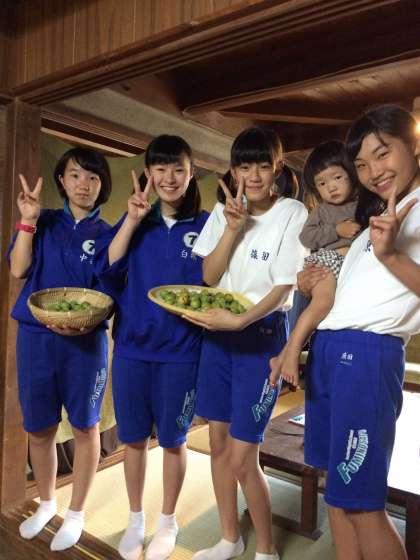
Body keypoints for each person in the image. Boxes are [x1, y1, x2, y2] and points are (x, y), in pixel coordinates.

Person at [296, 105, 420, 560]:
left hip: (367, 354)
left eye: (382, 154)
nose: (372, 172)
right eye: (362, 164)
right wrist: (314, 282)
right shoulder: (377, 219)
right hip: (330, 347)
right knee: (335, 488)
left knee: (363, 503)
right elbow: (346, 293)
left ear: (414, 145)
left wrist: (390, 255)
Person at [185, 127, 308, 560]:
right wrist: (232, 229)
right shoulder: (225, 212)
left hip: (260, 338)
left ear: (278, 168)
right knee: (218, 445)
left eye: (262, 166)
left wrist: (239, 321)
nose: (253, 176)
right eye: (244, 166)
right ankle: (229, 539)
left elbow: (283, 286)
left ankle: (267, 549)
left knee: (242, 457)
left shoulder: (292, 211)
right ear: (234, 169)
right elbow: (209, 276)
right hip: (217, 338)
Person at [95, 134, 208, 560]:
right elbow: (108, 269)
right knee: (135, 440)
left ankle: (168, 521)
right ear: (148, 173)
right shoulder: (137, 221)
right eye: (160, 169)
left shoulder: (206, 225)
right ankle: (135, 519)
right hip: (132, 350)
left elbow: (216, 285)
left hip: (182, 351)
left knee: (175, 440)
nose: (169, 178)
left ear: (191, 174)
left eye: (178, 169)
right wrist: (130, 220)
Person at [8, 147, 112, 551]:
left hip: (85, 342)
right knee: (39, 428)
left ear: (102, 185)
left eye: (92, 177)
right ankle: (48, 502)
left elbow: (112, 292)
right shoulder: (45, 221)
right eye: (75, 175)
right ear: (61, 181)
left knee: (86, 426)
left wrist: (86, 320)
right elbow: (18, 268)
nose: (83, 184)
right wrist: (28, 220)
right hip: (36, 338)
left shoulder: (108, 234)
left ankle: (77, 512)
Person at [269, 140, 360, 387]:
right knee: (322, 303)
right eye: (322, 183)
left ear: (352, 174)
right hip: (327, 261)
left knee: (323, 311)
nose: (331, 187)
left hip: (346, 266)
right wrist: (336, 230)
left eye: (337, 177)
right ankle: (292, 353)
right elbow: (306, 237)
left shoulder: (364, 205)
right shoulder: (321, 211)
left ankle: (282, 356)